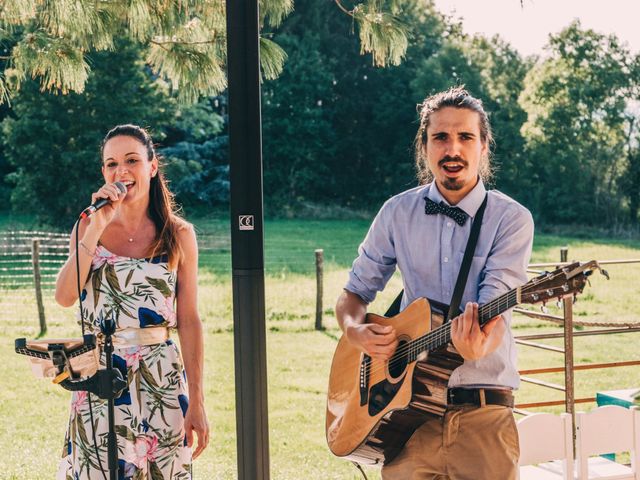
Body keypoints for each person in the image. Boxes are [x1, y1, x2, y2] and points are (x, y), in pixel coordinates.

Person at [336, 86, 534, 480]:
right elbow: (354, 293)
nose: (453, 149)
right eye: (440, 137)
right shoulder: (396, 212)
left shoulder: (511, 219)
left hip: (483, 417)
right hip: (406, 422)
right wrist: (355, 330)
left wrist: (478, 343)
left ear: (483, 146)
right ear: (424, 146)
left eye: (465, 137)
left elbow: (495, 306)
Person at [54, 124, 209, 479]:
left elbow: (189, 320)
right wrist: (95, 227)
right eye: (111, 164)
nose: (120, 171)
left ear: (152, 167)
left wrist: (197, 399)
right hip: (101, 375)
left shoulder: (179, 234)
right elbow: (64, 296)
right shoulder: (88, 228)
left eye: (131, 160)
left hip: (162, 379)